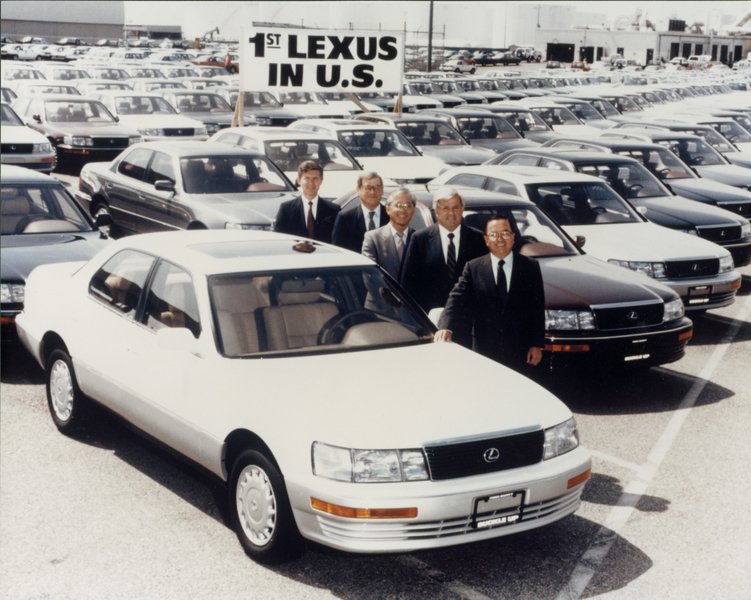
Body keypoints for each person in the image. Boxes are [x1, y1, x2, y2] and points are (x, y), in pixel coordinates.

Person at [433, 214, 545, 374]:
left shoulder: (530, 267)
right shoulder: (473, 268)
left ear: (513, 237)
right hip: (484, 349)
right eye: (494, 234)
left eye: (505, 233)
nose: (500, 238)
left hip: (520, 350)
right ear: (486, 240)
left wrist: (536, 345)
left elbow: (537, 308)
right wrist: (445, 327)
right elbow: (456, 299)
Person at [400, 186, 486, 317]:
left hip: (468, 318)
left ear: (462, 209)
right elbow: (408, 285)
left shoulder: (477, 238)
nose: (451, 213)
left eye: (455, 207)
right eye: (445, 208)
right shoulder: (420, 239)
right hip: (430, 317)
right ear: (436, 212)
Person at [273, 160, 340, 244]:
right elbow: (278, 241)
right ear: (299, 180)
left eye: (315, 178)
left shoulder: (333, 210)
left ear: (321, 181)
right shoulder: (286, 209)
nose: (311, 183)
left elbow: (338, 242)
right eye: (307, 178)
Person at [362, 188, 416, 281]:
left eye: (407, 205)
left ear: (413, 211)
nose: (403, 210)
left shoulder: (420, 238)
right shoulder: (373, 238)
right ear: (388, 209)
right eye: (398, 205)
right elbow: (369, 276)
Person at [331, 172, 389, 253]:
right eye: (367, 188)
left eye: (376, 187)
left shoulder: (390, 216)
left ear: (382, 190)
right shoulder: (345, 218)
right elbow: (338, 251)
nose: (372, 192)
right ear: (358, 190)